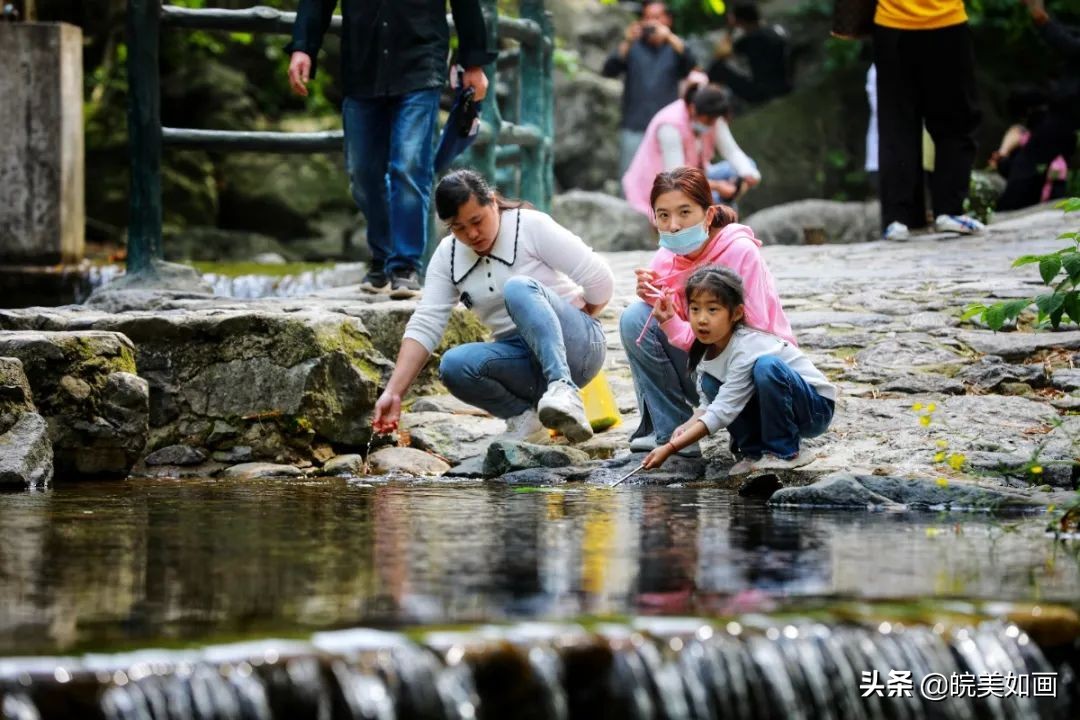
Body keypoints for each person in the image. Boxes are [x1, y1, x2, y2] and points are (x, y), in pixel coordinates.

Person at [371, 170, 615, 445]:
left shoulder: (530, 226)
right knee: (454, 365)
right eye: (459, 228)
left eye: (477, 220)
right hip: (523, 364)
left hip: (577, 350)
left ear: (492, 201)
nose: (472, 234)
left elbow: (600, 279)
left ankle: (564, 389)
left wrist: (579, 317)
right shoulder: (447, 257)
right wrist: (394, 392)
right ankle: (525, 419)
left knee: (518, 287)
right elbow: (426, 323)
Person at [286, 1, 496, 298]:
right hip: (362, 68)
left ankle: (404, 266)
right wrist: (302, 47)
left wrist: (474, 63)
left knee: (409, 168)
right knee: (362, 174)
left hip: (420, 65)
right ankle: (383, 257)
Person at [619, 166, 793, 456]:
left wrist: (676, 324)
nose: (673, 225)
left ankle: (756, 426)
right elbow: (673, 324)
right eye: (663, 215)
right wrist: (653, 300)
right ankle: (669, 431)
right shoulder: (666, 258)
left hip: (750, 370)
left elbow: (754, 331)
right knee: (635, 318)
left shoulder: (740, 252)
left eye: (684, 212)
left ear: (708, 215)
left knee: (746, 365)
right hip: (705, 368)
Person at [642, 265, 835, 473]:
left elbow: (723, 410)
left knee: (766, 367)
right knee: (710, 383)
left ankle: (784, 452)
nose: (702, 319)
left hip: (814, 410)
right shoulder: (706, 349)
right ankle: (753, 452)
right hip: (778, 406)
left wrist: (670, 448)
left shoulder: (746, 346)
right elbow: (710, 403)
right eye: (695, 309)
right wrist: (687, 426)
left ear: (736, 313)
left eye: (712, 309)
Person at [873, 0, 985, 241]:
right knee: (956, 122)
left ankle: (897, 219)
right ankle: (949, 210)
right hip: (946, 21)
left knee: (897, 124)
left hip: (892, 25)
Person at [622, 83, 760, 217]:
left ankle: (719, 209)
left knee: (745, 167)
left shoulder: (713, 118)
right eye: (708, 121)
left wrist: (749, 174)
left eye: (714, 121)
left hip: (696, 177)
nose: (711, 125)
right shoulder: (670, 126)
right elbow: (677, 179)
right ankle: (714, 213)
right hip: (664, 187)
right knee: (689, 198)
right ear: (693, 109)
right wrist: (718, 186)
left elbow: (731, 151)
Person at [997, 0, 1079, 211]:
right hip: (1063, 111)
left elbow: (1071, 47)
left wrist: (1040, 17)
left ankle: (1007, 208)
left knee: (1029, 161)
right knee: (1030, 159)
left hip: (1068, 112)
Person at [602, 1, 698, 177]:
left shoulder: (675, 47)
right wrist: (628, 40)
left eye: (657, 18)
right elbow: (609, 69)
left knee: (669, 181)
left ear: (668, 19)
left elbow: (692, 65)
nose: (652, 23)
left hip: (666, 127)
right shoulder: (633, 46)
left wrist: (669, 37)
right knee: (629, 177)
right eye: (647, 18)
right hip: (634, 124)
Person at [707, 1, 792, 107]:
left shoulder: (751, 39)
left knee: (716, 68)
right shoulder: (776, 30)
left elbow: (719, 54)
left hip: (764, 93)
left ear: (739, 21)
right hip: (786, 85)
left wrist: (730, 29)